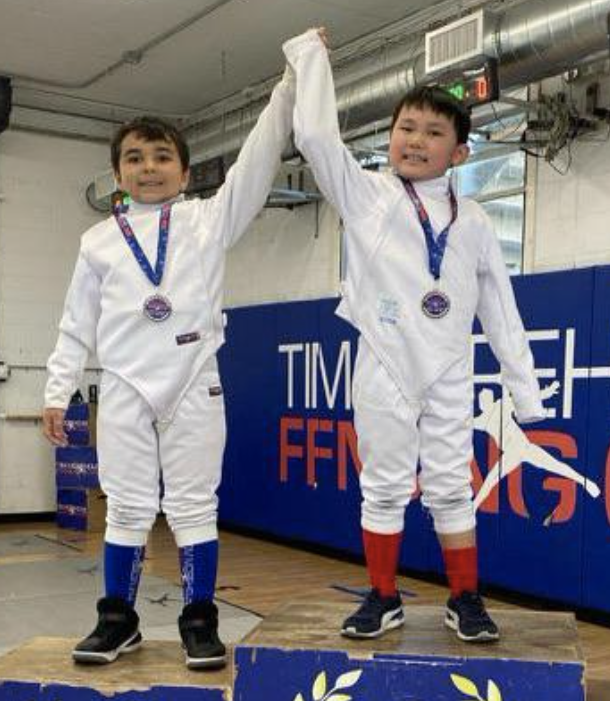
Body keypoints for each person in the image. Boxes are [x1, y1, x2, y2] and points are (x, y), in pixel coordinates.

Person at [283, 28, 545, 642]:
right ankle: (382, 596)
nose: (415, 141)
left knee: (452, 487)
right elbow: (316, 137)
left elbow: (501, 311)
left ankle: (465, 598)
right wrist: (311, 57)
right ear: (390, 136)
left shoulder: (474, 221)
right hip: (384, 363)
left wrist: (526, 394)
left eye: (433, 132)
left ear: (460, 152)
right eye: (406, 128)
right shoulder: (368, 195)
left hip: (450, 367)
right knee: (382, 487)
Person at [43, 73, 294, 667]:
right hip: (124, 385)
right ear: (117, 174)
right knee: (127, 507)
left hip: (193, 380)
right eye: (134, 158)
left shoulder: (207, 221)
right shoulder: (97, 241)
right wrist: (58, 390)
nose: (148, 167)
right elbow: (76, 322)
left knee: (193, 506)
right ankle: (117, 621)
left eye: (161, 157)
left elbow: (257, 165)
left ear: (184, 173)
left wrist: (288, 87)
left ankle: (199, 621)